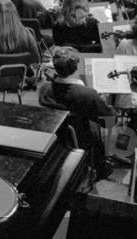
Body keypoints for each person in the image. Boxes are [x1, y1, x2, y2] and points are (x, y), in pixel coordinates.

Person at [38, 47, 115, 179]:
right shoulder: (86, 94)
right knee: (99, 128)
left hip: (55, 134)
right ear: (75, 67)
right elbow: (110, 121)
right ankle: (100, 167)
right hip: (81, 137)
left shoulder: (44, 89)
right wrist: (101, 101)